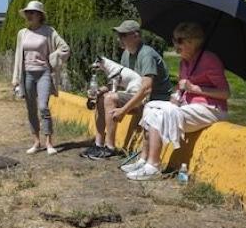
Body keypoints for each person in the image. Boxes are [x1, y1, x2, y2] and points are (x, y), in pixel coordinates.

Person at [123, 22, 229, 181]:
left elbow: (225, 93)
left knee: (160, 114)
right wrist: (177, 96)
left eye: (179, 41)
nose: (175, 45)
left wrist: (195, 89)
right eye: (174, 40)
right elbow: (182, 89)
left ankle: (153, 166)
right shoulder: (184, 63)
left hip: (210, 108)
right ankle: (144, 160)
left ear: (192, 42)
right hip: (189, 106)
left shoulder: (209, 60)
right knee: (151, 108)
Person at [83, 20, 172, 160]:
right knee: (102, 97)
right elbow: (118, 83)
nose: (119, 38)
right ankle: (99, 144)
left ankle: (110, 148)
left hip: (154, 100)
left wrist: (123, 110)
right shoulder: (126, 54)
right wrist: (98, 91)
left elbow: (147, 88)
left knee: (110, 98)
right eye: (119, 35)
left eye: (123, 35)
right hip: (137, 95)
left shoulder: (146, 54)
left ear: (136, 36)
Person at [11, 0, 70, 156]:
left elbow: (64, 48)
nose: (29, 15)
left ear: (39, 15)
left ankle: (49, 142)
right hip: (27, 74)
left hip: (44, 72)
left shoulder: (49, 31)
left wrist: (53, 57)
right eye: (27, 13)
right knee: (30, 109)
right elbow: (18, 56)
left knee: (43, 107)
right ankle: (36, 142)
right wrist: (16, 78)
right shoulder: (22, 33)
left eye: (32, 13)